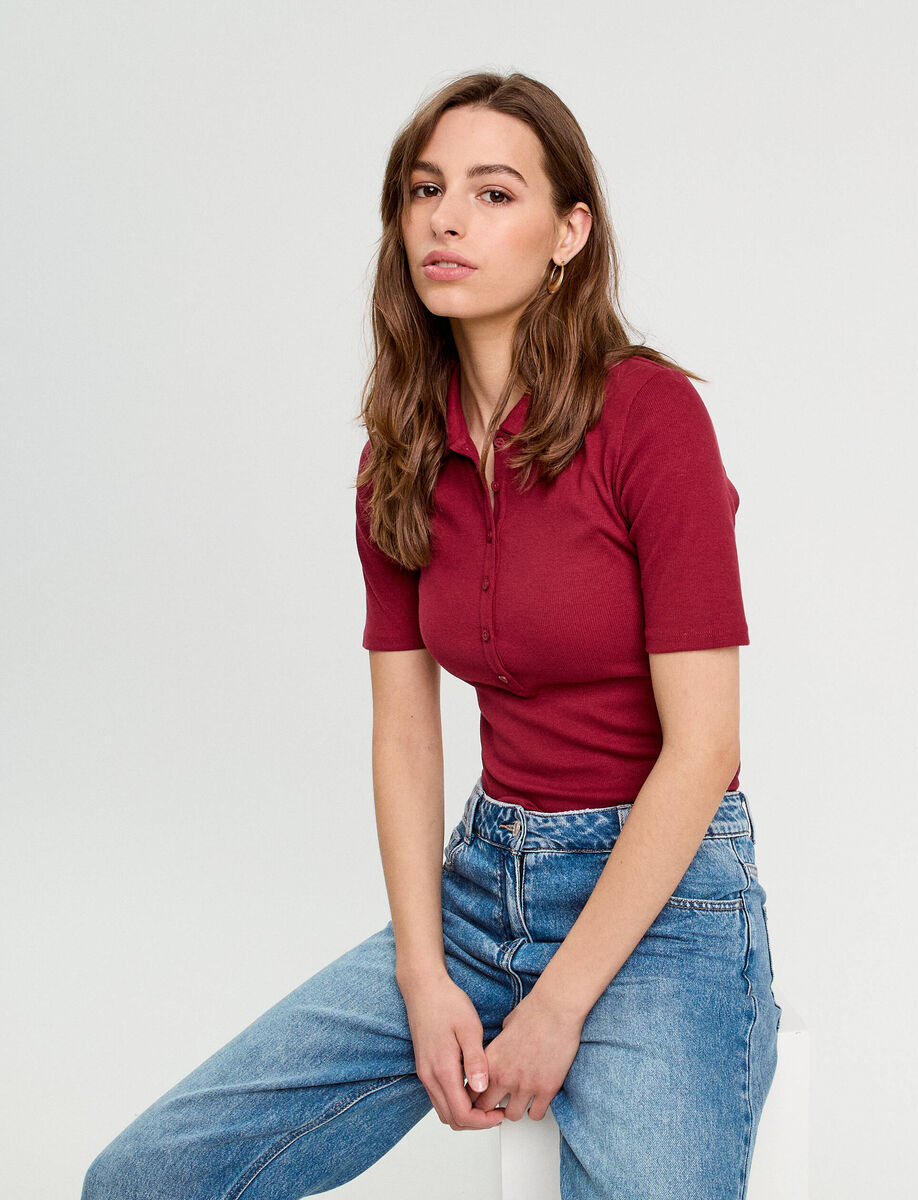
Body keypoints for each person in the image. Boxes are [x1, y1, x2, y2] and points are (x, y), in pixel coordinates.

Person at [81, 70, 781, 1200]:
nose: (446, 220)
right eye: (424, 190)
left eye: (493, 193)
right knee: (145, 1180)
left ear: (569, 233)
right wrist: (422, 973)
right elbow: (405, 732)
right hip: (484, 886)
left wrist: (558, 1005)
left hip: (666, 906)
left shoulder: (650, 418)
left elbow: (703, 748)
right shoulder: (400, 450)